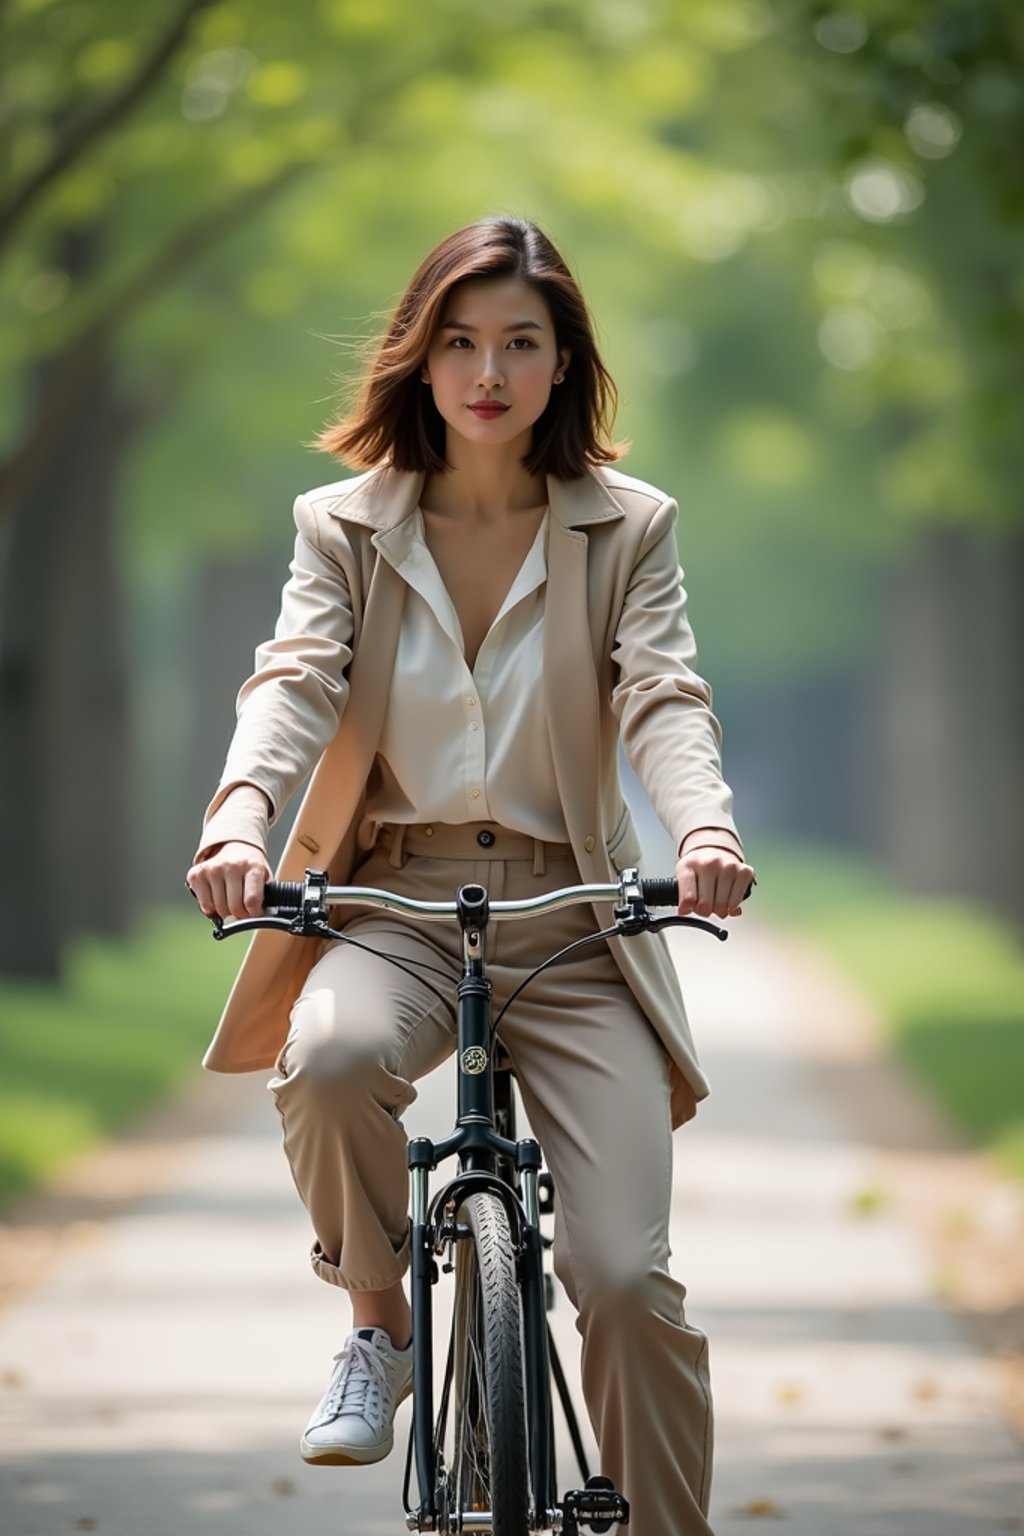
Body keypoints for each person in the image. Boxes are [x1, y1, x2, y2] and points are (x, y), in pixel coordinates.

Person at [186, 216, 754, 1536]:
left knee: (621, 1278)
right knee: (327, 1062)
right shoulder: (342, 526)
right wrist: (239, 822)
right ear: (419, 359)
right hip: (394, 903)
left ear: (564, 367)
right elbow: (296, 680)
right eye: (459, 342)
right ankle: (378, 1331)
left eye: (520, 343)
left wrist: (705, 833)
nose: (488, 369)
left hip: (574, 916)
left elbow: (662, 694)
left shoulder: (630, 529)